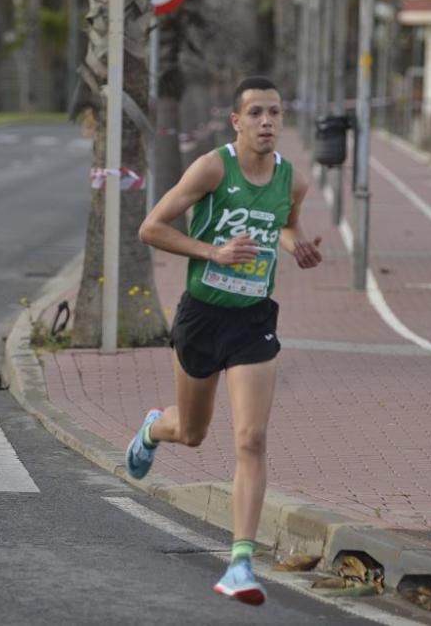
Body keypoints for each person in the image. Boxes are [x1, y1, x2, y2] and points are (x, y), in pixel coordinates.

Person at [128, 75, 323, 606]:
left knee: (251, 438)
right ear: (236, 121)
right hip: (201, 316)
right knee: (191, 432)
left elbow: (282, 225)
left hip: (253, 320)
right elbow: (152, 228)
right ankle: (153, 429)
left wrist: (296, 244)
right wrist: (212, 252)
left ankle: (240, 562)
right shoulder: (214, 167)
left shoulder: (294, 180)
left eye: (275, 113)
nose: (266, 122)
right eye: (256, 113)